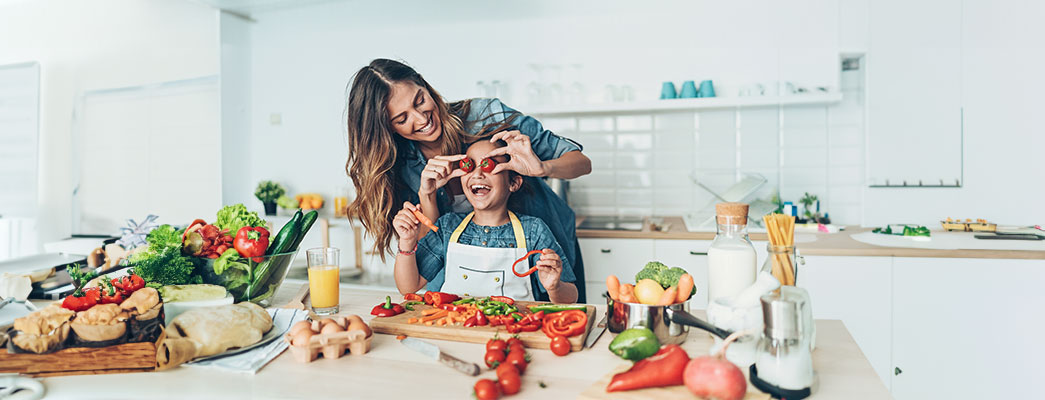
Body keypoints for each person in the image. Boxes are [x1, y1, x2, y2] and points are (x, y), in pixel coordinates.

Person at [345, 58, 592, 302]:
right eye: (402, 119)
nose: (421, 120)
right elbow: (428, 249)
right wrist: (426, 196)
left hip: (547, 252)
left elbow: (582, 162)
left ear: (425, 86)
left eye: (420, 101)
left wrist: (542, 168)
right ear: (387, 129)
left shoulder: (485, 116)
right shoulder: (399, 164)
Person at [391, 140, 578, 303]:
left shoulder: (534, 231)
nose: (477, 173)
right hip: (457, 329)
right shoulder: (447, 227)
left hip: (513, 333)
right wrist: (406, 242)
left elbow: (571, 297)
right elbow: (408, 287)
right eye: (469, 166)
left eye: (489, 165)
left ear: (513, 183)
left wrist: (555, 287)